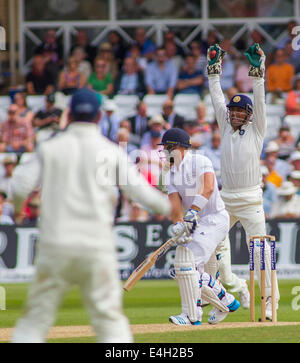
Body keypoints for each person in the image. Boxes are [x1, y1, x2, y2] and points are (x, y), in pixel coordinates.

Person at [10, 88, 172, 343]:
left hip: (56, 245)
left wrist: (19, 208)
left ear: (70, 114)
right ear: (99, 117)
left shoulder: (50, 147)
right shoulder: (111, 150)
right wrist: (171, 208)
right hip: (97, 246)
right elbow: (142, 193)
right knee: (109, 321)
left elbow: (18, 187)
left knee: (34, 323)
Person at [207, 42, 279, 320]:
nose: (235, 115)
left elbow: (260, 100)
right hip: (226, 200)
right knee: (213, 250)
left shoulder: (257, 129)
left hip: (251, 200)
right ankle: (218, 300)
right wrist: (214, 70)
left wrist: (257, 70)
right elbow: (216, 97)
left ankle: (269, 302)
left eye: (240, 112)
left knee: (261, 254)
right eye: (232, 111)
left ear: (248, 116)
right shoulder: (224, 125)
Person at [159, 128, 240, 325]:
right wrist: (178, 225)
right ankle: (225, 301)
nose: (166, 152)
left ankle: (191, 316)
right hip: (193, 223)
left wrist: (193, 210)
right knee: (183, 271)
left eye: (168, 147)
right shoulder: (170, 174)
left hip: (214, 218)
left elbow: (209, 187)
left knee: (186, 265)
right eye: (164, 149)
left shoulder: (200, 161)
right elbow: (175, 204)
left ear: (181, 147)